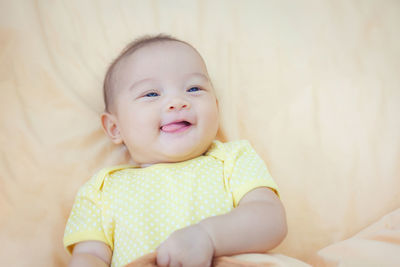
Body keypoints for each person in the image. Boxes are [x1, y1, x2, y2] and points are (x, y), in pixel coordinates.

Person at [63, 34, 287, 267]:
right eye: (151, 94)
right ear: (115, 128)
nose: (178, 101)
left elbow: (270, 219)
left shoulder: (233, 159)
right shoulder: (100, 191)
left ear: (216, 109)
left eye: (194, 88)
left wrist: (208, 236)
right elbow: (90, 256)